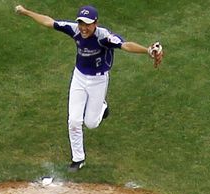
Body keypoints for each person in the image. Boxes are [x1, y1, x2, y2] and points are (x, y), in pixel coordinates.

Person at [14, 5, 162, 170]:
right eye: (81, 23)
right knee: (74, 121)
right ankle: (78, 159)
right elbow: (50, 22)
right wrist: (26, 12)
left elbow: (126, 45)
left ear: (95, 23)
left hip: (98, 81)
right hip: (79, 78)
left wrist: (147, 51)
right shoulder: (75, 30)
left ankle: (102, 107)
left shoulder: (103, 37)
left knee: (91, 123)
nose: (84, 28)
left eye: (88, 24)